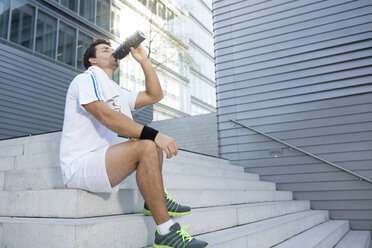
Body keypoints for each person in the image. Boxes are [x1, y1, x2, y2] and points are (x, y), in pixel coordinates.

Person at [59, 39, 209, 248]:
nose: (112, 52)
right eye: (105, 50)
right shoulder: (86, 79)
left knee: (150, 143)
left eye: (112, 48)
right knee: (148, 142)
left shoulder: (116, 90)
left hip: (103, 161)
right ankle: (166, 232)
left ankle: (155, 199)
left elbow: (155, 95)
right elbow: (105, 116)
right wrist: (154, 134)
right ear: (92, 60)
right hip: (80, 165)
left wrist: (144, 60)